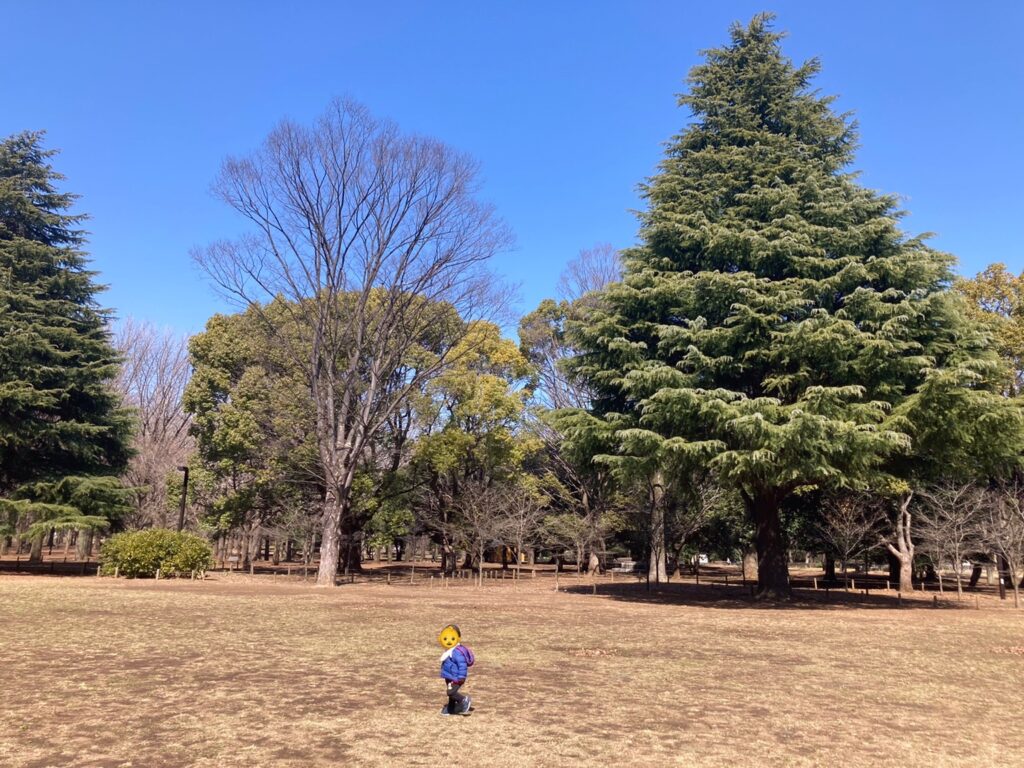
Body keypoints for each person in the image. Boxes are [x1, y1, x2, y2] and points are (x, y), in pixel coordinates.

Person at [438, 623, 474, 715]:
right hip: (449, 676)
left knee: (451, 692)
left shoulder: (457, 652)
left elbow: (462, 665)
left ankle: (463, 701)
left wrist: (461, 677)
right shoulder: (449, 650)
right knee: (451, 694)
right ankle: (450, 709)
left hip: (456, 677)